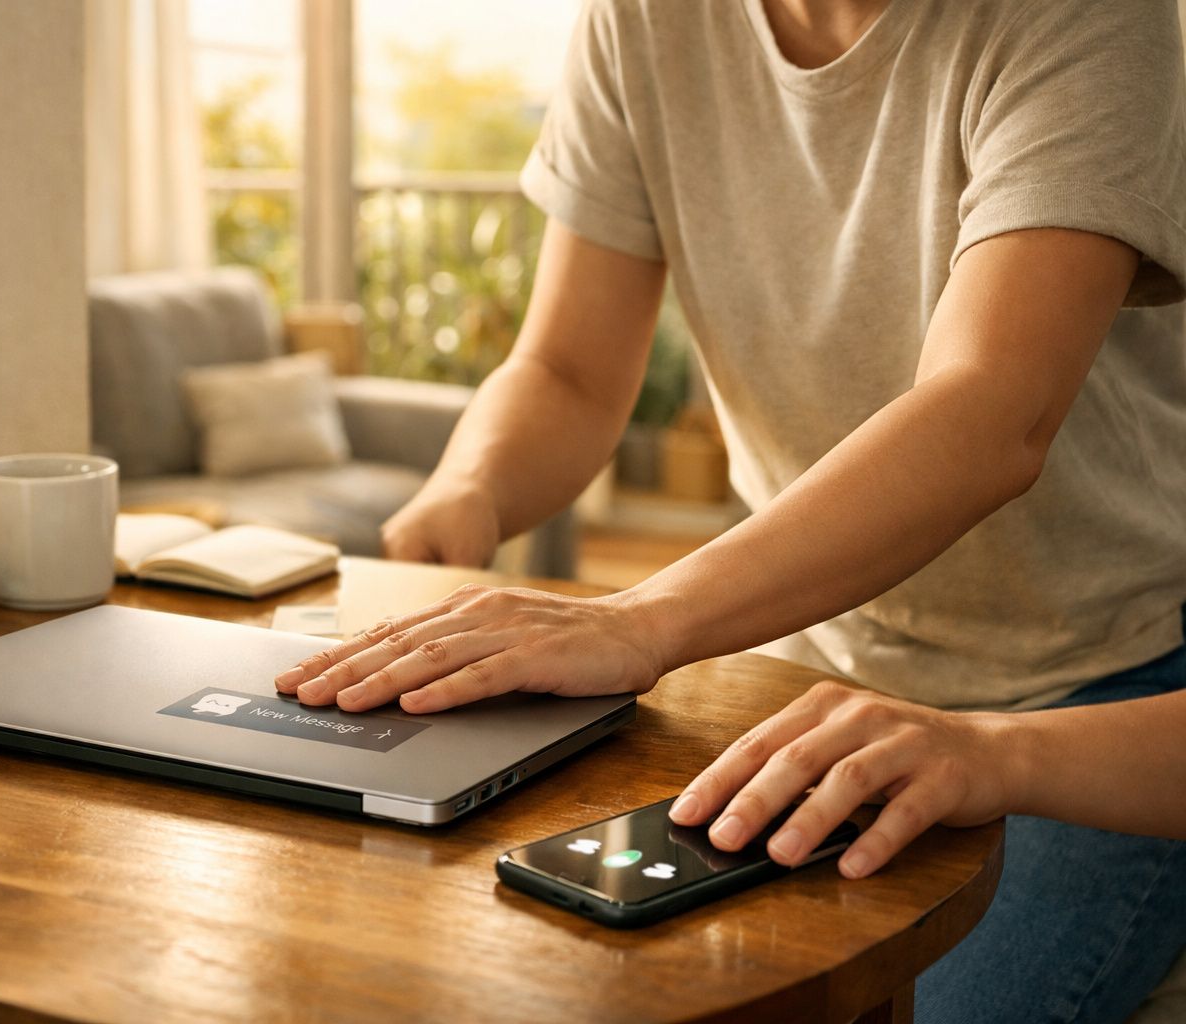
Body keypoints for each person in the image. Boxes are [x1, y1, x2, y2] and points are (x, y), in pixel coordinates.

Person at [274, 0, 1186, 1019]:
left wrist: (640, 620)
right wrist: (464, 494)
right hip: (799, 664)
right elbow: (569, 372)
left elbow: (991, 413)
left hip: (1097, 681)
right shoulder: (642, 21)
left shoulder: (1086, 18)